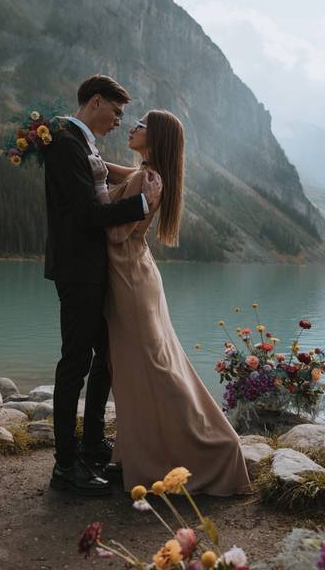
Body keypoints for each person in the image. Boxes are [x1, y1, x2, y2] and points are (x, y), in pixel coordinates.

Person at [91, 109, 251, 496]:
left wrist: (96, 183)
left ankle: (213, 448)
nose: (133, 126)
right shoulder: (145, 174)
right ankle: (139, 453)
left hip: (129, 278)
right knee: (140, 370)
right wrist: (93, 163)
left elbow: (114, 232)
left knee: (154, 369)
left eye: (142, 125)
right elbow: (119, 175)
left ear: (156, 136)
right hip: (134, 275)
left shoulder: (146, 179)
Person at [44, 74, 162, 496]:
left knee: (100, 358)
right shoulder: (64, 143)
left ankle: (92, 447)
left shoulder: (82, 143)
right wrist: (143, 203)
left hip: (92, 268)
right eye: (115, 111)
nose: (118, 121)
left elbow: (98, 191)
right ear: (96, 101)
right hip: (77, 269)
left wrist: (147, 176)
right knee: (74, 363)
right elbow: (84, 214)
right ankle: (64, 467)